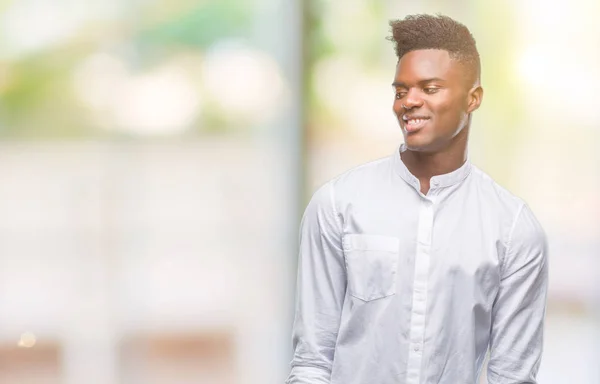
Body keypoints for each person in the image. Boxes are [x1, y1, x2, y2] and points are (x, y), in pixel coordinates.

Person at [286, 14, 548, 384]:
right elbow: (312, 361)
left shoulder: (513, 228)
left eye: (429, 88)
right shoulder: (337, 204)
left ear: (473, 98)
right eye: (400, 90)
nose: (409, 101)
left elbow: (512, 375)